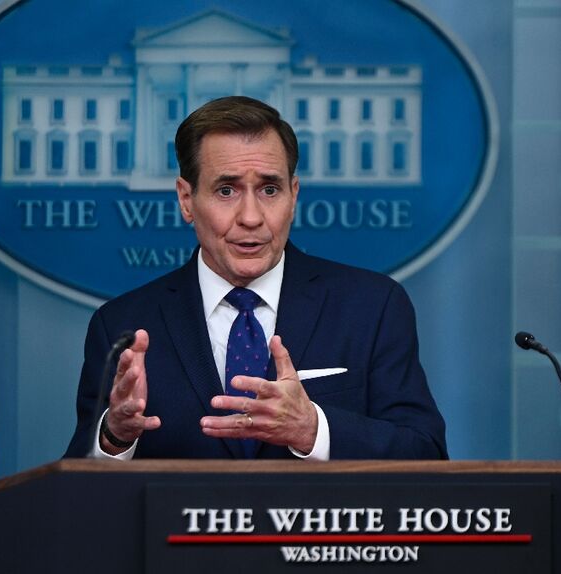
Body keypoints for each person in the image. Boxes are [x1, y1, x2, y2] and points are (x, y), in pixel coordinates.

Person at [64, 96, 447, 460]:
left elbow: (425, 452)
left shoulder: (371, 307)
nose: (251, 216)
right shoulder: (122, 325)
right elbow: (74, 490)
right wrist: (114, 437)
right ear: (186, 199)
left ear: (293, 196)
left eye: (269, 189)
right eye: (226, 190)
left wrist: (314, 429)